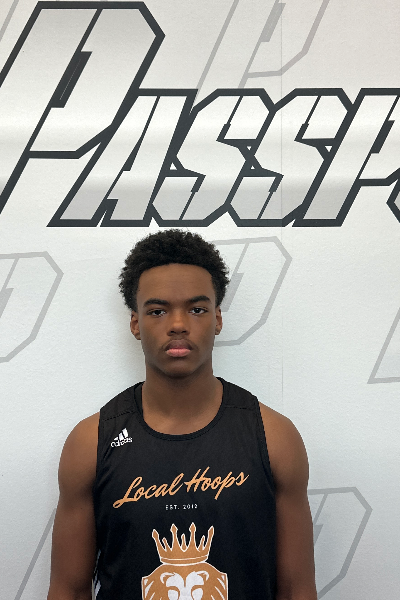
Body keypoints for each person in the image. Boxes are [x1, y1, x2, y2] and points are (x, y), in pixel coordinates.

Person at [47, 229, 317, 600]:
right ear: (136, 323)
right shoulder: (90, 443)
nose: (177, 324)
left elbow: (297, 589)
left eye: (196, 309)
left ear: (217, 319)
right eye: (157, 311)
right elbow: (69, 590)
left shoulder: (275, 437)